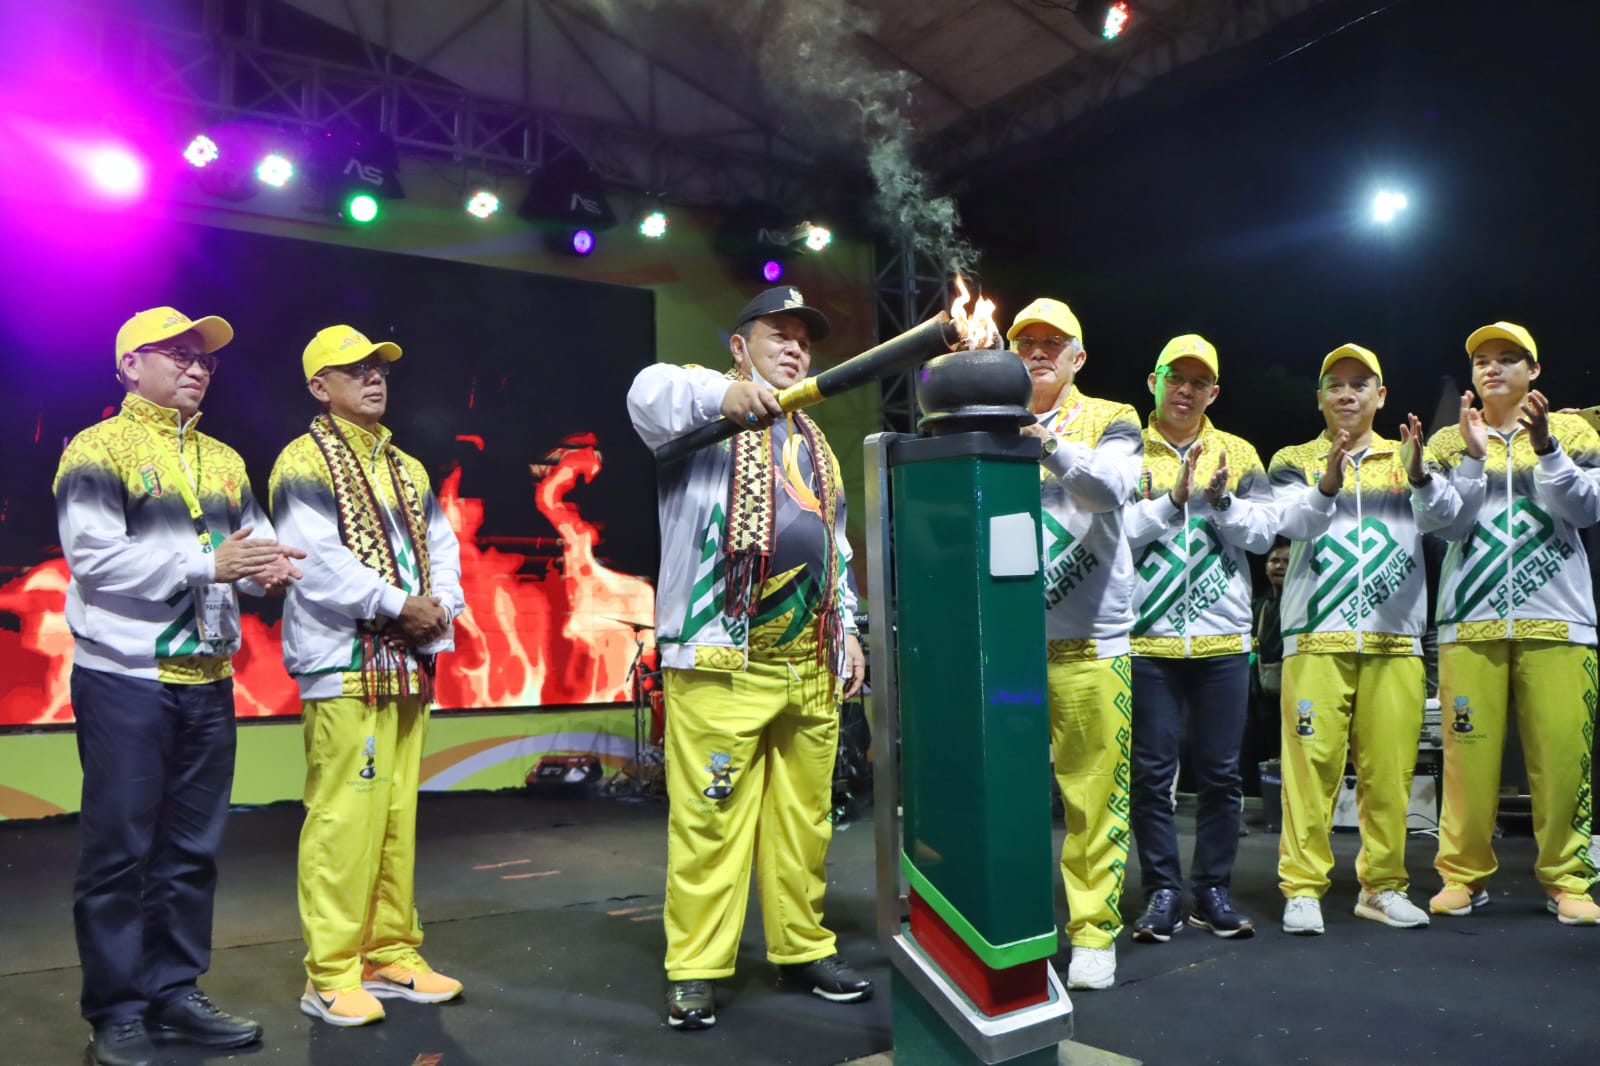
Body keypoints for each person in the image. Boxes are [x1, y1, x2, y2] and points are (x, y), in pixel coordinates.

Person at [55, 307, 304, 1066]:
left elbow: (249, 550)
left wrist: (269, 569)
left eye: (205, 360)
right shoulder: (95, 449)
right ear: (131, 365)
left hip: (208, 677)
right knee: (119, 854)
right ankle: (116, 1012)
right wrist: (209, 564)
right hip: (125, 676)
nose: (197, 368)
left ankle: (175, 992)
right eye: (179, 354)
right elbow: (93, 558)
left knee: (191, 851)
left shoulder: (224, 460)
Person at [626, 286, 870, 1031]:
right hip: (721, 659)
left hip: (809, 662)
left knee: (805, 823)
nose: (795, 347)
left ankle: (803, 948)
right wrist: (724, 396)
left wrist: (849, 627)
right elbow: (645, 391)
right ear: (739, 346)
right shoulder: (699, 411)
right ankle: (696, 969)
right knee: (711, 822)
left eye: (804, 339)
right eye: (777, 334)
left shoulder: (815, 442)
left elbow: (834, 543)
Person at [268, 325, 466, 1026]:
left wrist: (441, 606)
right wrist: (396, 604)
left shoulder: (407, 467)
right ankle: (329, 974)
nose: (373, 377)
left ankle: (390, 954)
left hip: (408, 663)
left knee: (396, 818)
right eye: (354, 370)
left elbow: (442, 545)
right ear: (319, 387)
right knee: (344, 821)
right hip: (343, 662)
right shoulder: (301, 461)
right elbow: (315, 561)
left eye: (378, 367)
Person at [1267, 343, 1472, 936]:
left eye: (1361, 384)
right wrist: (1327, 485)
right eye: (1336, 384)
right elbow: (1286, 523)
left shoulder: (1408, 456)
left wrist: (1421, 476)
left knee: (1390, 774)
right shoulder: (1292, 460)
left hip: (1394, 641)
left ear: (1380, 396)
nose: (1347, 394)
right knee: (1309, 773)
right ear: (1320, 398)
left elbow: (1451, 522)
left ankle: (1382, 887)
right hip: (1315, 639)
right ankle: (1302, 887)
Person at [1424, 322, 1600, 924]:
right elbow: (1444, 526)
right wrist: (1473, 458)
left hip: (1559, 621)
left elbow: (1586, 509)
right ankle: (1462, 876)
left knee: (1563, 761)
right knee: (1466, 762)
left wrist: (1547, 447)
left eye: (1507, 358)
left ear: (1534, 371)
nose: (1492, 368)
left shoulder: (1575, 432)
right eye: (1482, 361)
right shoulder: (1447, 441)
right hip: (1468, 622)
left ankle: (1568, 880)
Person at [1123, 335, 1276, 945]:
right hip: (1146, 639)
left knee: (1221, 775)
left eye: (1198, 382)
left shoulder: (1238, 452)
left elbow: (1264, 536)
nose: (1185, 390)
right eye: (1175, 378)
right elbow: (1110, 534)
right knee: (1150, 775)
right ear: (1153, 382)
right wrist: (1172, 501)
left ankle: (1212, 889)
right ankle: (1162, 890)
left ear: (1214, 392)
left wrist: (1224, 502)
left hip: (1222, 641)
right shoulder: (1125, 448)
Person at [1009, 297, 1142, 989]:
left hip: (1091, 645)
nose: (1037, 351)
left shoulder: (1114, 417)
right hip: (1007, 648)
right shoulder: (988, 421)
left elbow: (1110, 489)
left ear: (1077, 357)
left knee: (1094, 799)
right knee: (1006, 798)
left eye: (1052, 342)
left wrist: (1047, 443)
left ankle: (1092, 932)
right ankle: (1010, 925)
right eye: (1025, 341)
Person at [1245, 540, 1291, 797]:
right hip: (1263, 691)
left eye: (1286, 562)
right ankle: (1274, 801)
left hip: (1296, 687)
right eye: (1275, 561)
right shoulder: (1259, 604)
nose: (1280, 566)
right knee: (1272, 749)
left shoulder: (1300, 602)